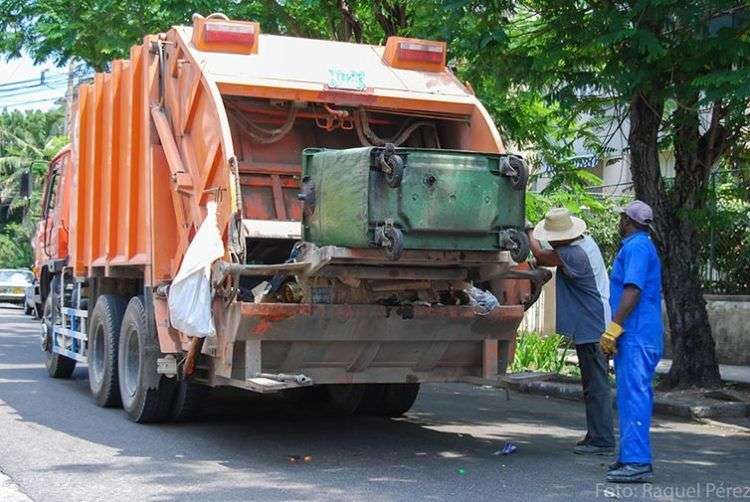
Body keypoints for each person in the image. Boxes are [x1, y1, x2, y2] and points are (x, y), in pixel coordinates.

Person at [527, 208, 614, 455]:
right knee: (593, 385)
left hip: (592, 325)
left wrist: (527, 231)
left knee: (596, 386)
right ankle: (596, 435)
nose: (552, 240)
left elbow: (541, 256)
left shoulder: (573, 254)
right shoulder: (586, 243)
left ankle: (602, 441)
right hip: (595, 322)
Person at [600, 200, 663, 483]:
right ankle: (630, 456)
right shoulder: (641, 245)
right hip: (638, 333)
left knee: (634, 396)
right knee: (629, 397)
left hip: (636, 333)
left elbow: (632, 290)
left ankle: (637, 461)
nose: (619, 222)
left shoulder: (636, 247)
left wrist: (615, 327)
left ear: (627, 221)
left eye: (621, 217)